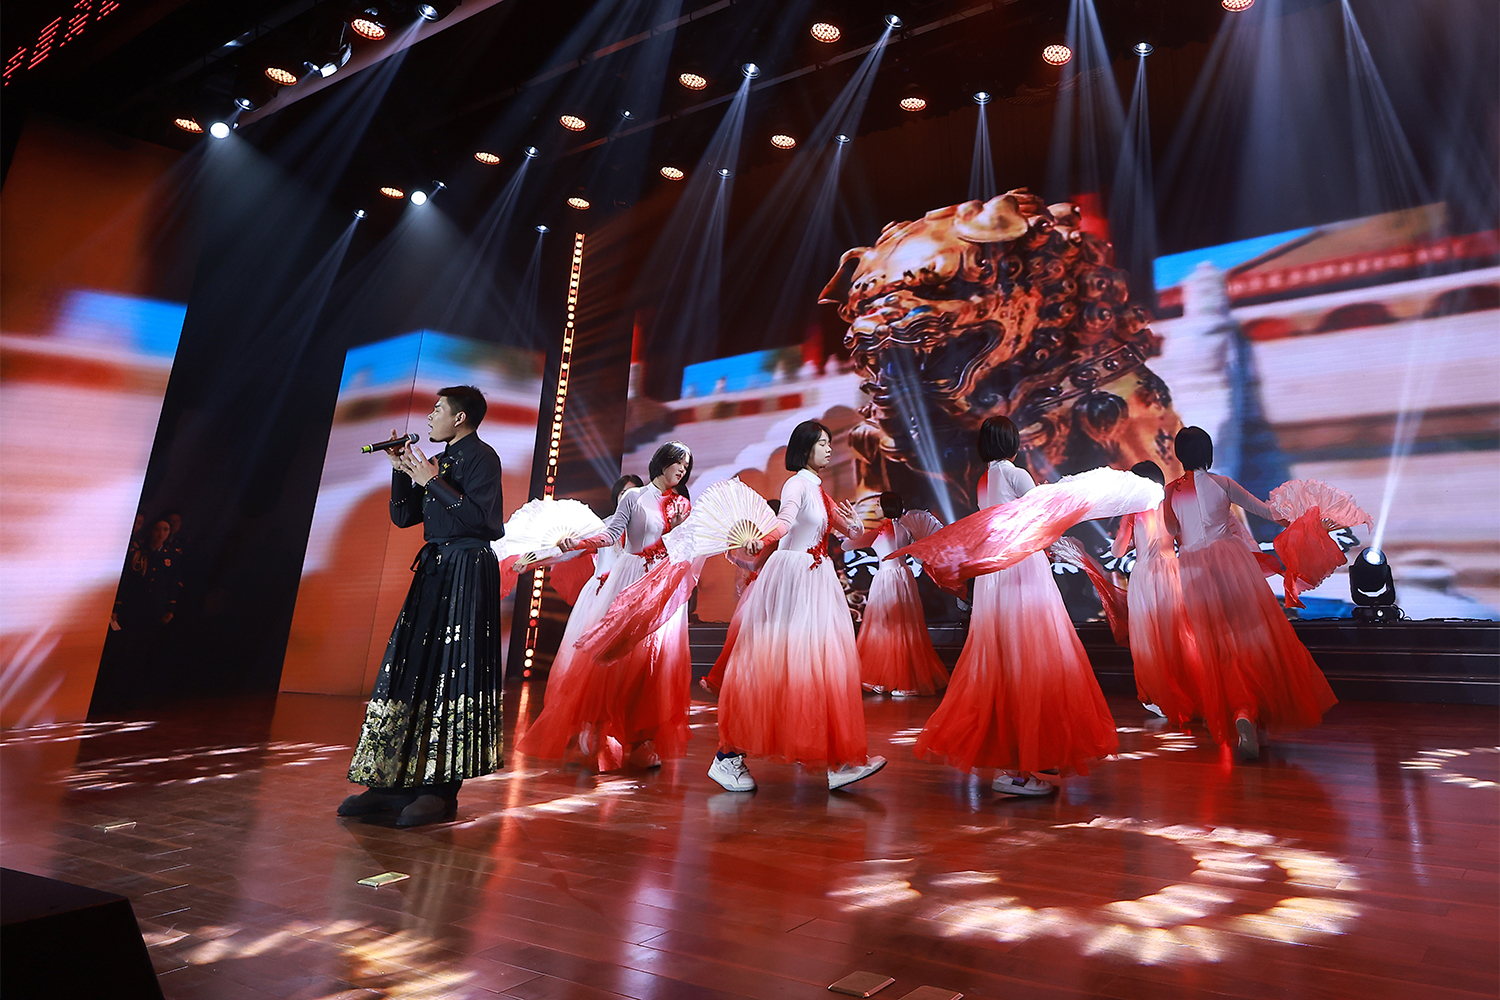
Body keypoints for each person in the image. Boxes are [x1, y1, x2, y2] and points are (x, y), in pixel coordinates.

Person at [914, 416, 1118, 796]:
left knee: (1005, 661)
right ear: (1012, 441)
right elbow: (1043, 517)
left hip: (995, 575)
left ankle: (1027, 754)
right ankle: (1019, 768)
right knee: (1034, 657)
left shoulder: (984, 480)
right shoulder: (1015, 474)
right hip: (1020, 571)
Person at [340, 386, 505, 827]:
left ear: (460, 417)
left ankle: (440, 790)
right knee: (412, 666)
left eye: (437, 409)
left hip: (467, 569)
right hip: (435, 568)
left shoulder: (483, 458)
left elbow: (483, 521)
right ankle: (389, 782)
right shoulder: (440, 462)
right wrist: (401, 471)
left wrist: (431, 480)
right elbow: (403, 517)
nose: (430, 417)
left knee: (452, 672)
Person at [711, 420, 886, 793]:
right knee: (774, 667)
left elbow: (846, 532)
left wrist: (855, 525)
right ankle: (727, 756)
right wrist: (762, 539)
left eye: (829, 442)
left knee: (822, 668)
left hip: (816, 580)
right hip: (795, 579)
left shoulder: (818, 488)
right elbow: (785, 522)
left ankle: (839, 761)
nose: (829, 448)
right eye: (822, 443)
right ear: (805, 448)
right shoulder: (797, 485)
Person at [1163, 426, 1336, 760]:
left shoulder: (1171, 492)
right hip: (1231, 565)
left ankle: (1243, 713)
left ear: (1179, 454)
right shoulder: (1222, 484)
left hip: (1194, 573)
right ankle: (1252, 714)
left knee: (1219, 649)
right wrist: (1311, 515)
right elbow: (1269, 513)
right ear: (1207, 452)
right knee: (1251, 641)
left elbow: (1171, 532)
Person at [519, 444, 693, 771]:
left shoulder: (682, 504)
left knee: (653, 664)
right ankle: (600, 729)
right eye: (679, 463)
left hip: (661, 587)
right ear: (663, 463)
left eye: (687, 465)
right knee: (614, 660)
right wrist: (579, 543)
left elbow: (683, 550)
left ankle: (640, 739)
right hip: (630, 578)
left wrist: (680, 527)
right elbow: (611, 535)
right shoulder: (634, 497)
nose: (683, 470)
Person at [1112, 462, 1201, 727]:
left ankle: (1160, 696)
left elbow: (1117, 551)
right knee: (1177, 633)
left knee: (1149, 637)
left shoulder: (1134, 510)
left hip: (1146, 575)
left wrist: (1130, 539)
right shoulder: (1170, 504)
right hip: (1173, 571)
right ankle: (1189, 690)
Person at [847, 492, 948, 697]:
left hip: (886, 578)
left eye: (878, 504)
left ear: (886, 507)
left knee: (885, 626)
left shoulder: (881, 531)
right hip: (904, 576)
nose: (876, 508)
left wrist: (855, 527)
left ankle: (893, 679)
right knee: (905, 626)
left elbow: (846, 545)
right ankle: (903, 680)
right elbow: (917, 557)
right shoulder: (906, 529)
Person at [701, 499, 780, 696]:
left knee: (743, 637)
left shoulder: (772, 539)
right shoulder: (777, 538)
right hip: (770, 588)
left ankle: (725, 681)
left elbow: (754, 566)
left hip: (764, 590)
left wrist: (731, 558)